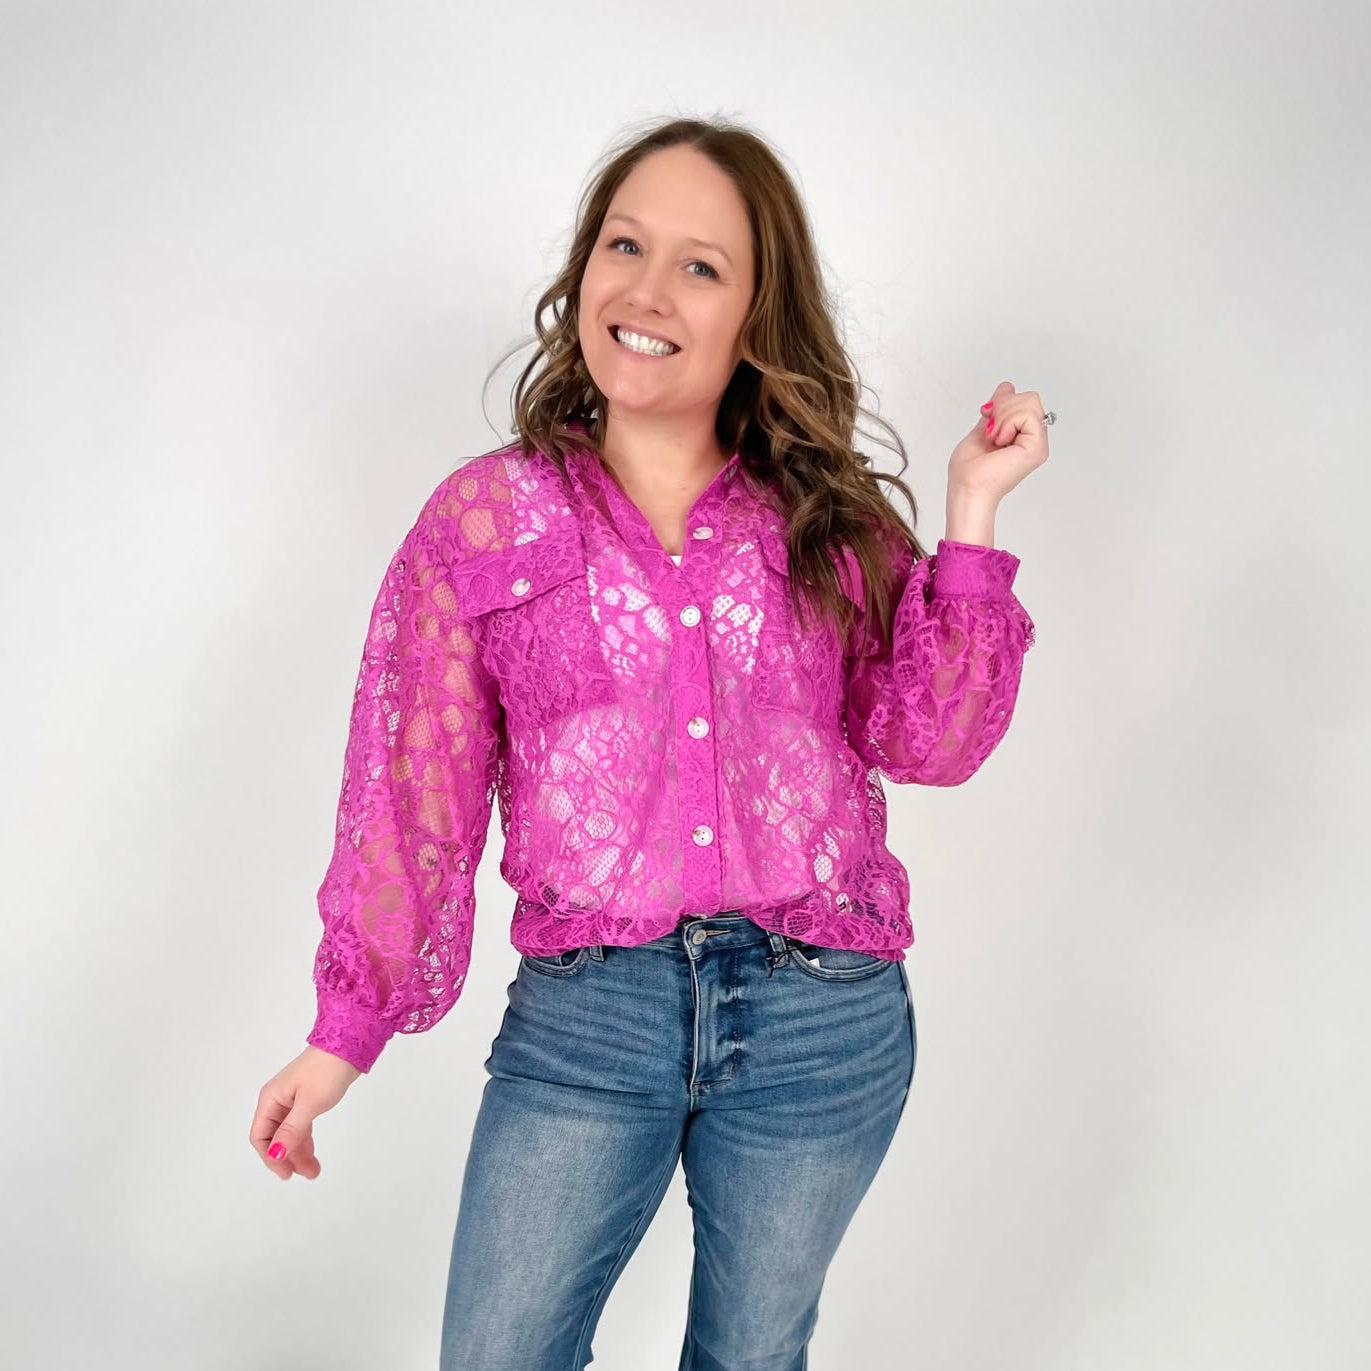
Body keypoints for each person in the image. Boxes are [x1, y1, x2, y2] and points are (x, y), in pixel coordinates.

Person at [249, 115, 1047, 1369]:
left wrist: (973, 511)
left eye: (701, 265)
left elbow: (932, 740)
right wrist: (343, 1033)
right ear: (583, 270)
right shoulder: (487, 520)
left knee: (751, 1356)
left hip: (821, 1021)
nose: (648, 290)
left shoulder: (825, 520)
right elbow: (414, 794)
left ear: (755, 314)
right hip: (589, 1021)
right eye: (625, 245)